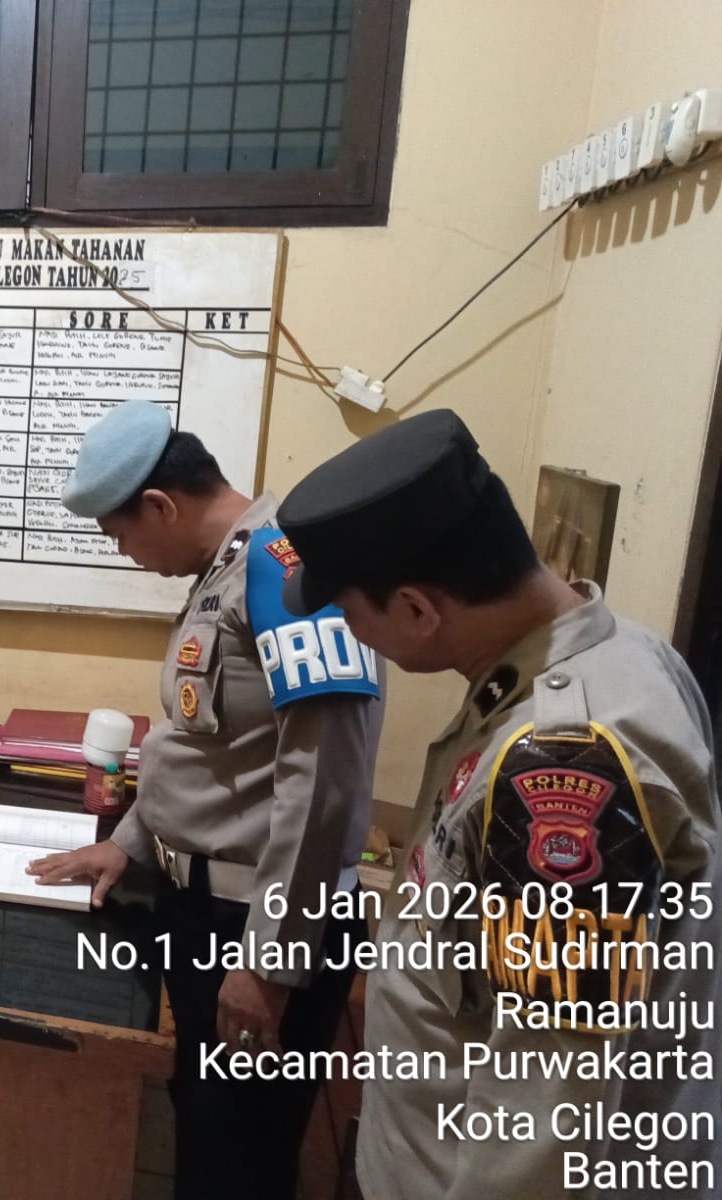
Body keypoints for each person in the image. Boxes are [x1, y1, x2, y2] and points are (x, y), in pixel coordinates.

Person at [277, 409, 722, 1198]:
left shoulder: (563, 768)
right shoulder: (622, 651)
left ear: (417, 609)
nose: (350, 631)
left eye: (348, 610)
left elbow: (546, 1120)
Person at [27, 399, 386, 1200]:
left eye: (120, 537)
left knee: (239, 1162)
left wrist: (269, 962)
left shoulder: (287, 575)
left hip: (258, 922)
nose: (126, 556)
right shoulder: (228, 569)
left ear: (161, 505)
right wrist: (128, 842)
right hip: (208, 911)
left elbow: (326, 781)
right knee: (207, 1134)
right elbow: (202, 744)